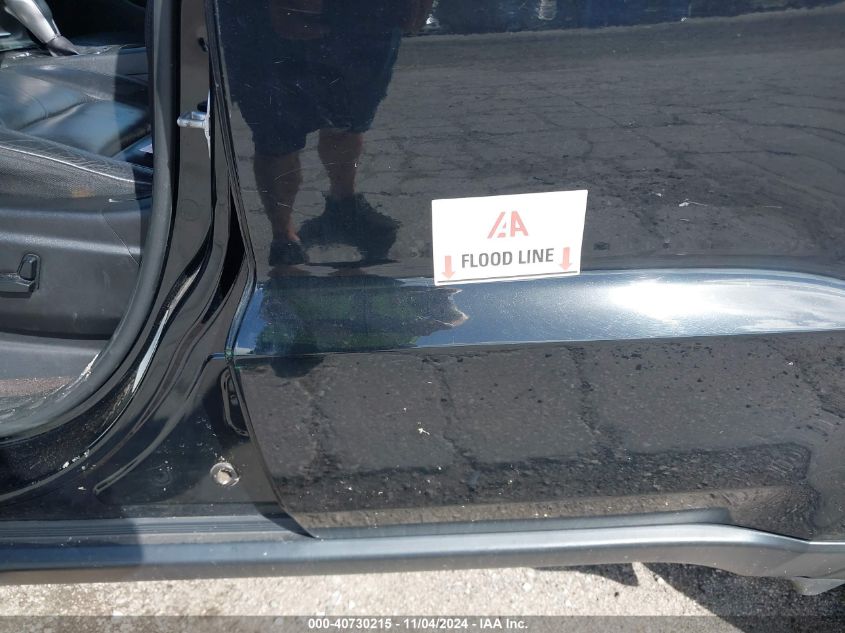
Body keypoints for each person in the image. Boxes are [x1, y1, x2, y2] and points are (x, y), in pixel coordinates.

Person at [236, 0, 433, 266]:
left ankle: (343, 206)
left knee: (349, 119)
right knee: (277, 133)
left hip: (369, 20)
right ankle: (284, 238)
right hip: (274, 23)